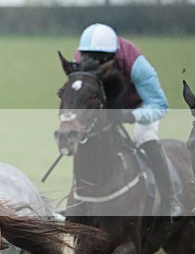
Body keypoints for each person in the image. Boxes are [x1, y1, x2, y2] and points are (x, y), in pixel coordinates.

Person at [75, 22, 184, 218]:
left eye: (100, 59)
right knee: (88, 141)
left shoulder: (135, 63)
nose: (94, 63)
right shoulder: (81, 62)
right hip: (105, 109)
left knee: (144, 137)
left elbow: (159, 104)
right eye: (88, 56)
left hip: (139, 106)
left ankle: (171, 198)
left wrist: (131, 115)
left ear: (113, 55)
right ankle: (80, 198)